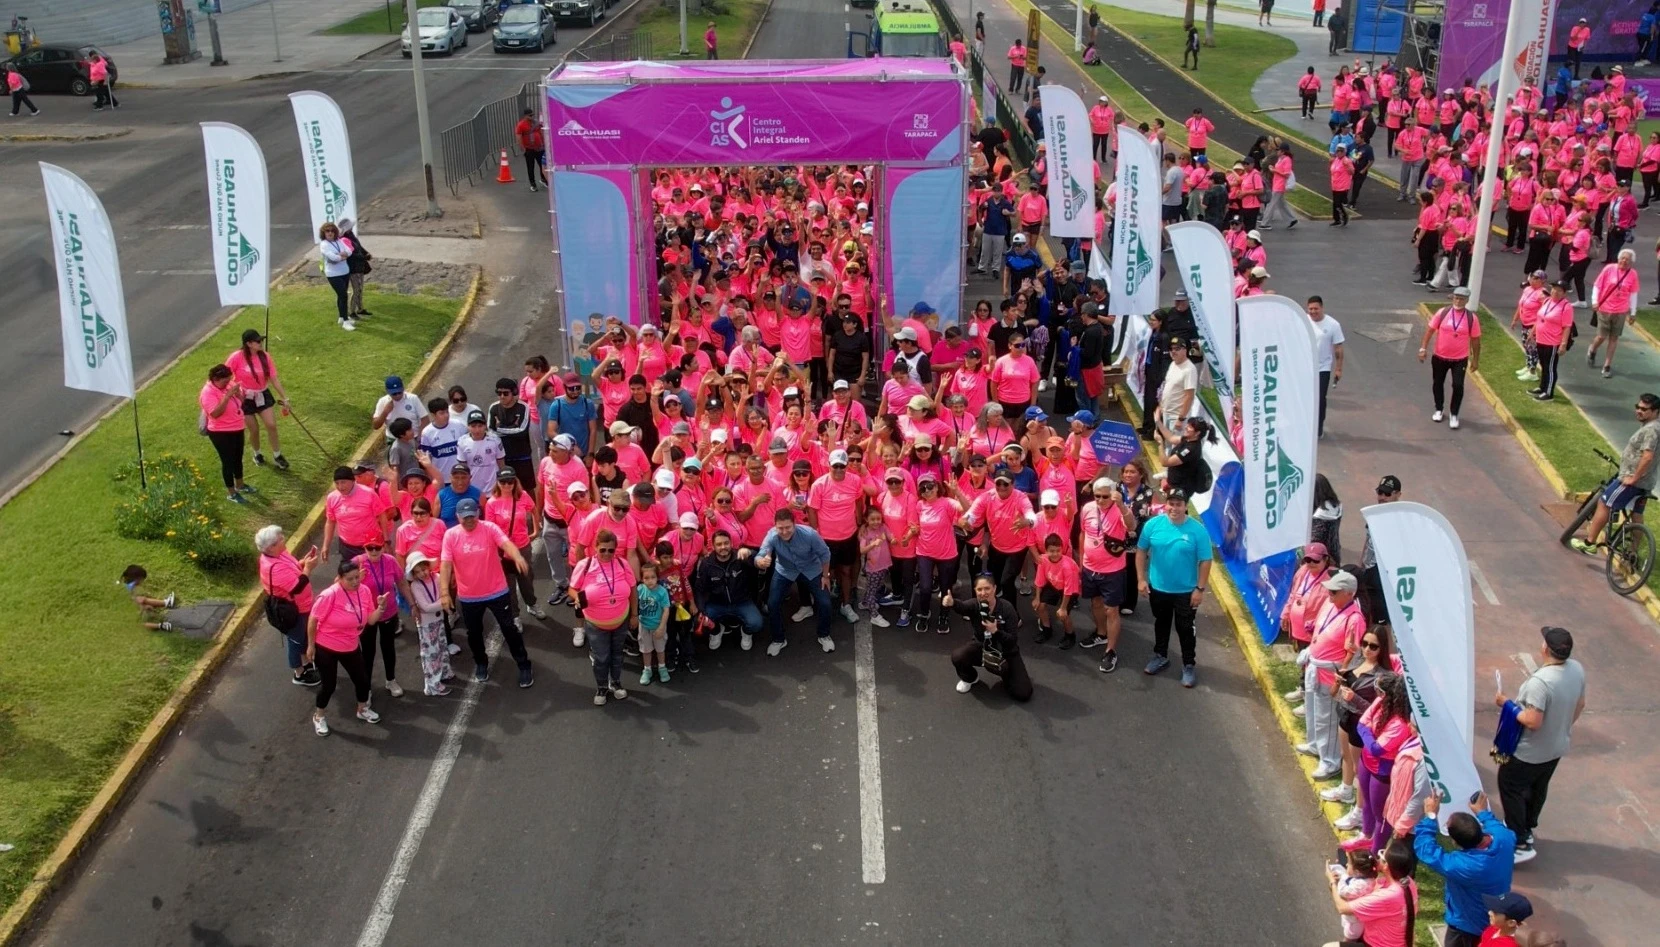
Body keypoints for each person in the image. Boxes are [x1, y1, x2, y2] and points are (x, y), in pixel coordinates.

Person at [1494, 626, 1586, 864]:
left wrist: (1507, 704)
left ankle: (1519, 840)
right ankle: (1526, 826)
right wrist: (1561, 727)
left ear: (1545, 648)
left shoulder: (1540, 682)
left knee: (1510, 786)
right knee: (1538, 787)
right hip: (1555, 747)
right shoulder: (1576, 670)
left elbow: (1533, 720)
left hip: (1529, 752)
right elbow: (1580, 704)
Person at [439, 498, 535, 688]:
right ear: (458, 517)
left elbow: (506, 543)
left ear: (478, 514)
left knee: (509, 629)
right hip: (469, 596)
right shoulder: (451, 536)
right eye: (465, 518)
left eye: (472, 516)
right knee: (474, 634)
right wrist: (444, 592)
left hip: (497, 591)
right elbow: (446, 564)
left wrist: (517, 556)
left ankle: (524, 665)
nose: (469, 521)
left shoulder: (489, 528)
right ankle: (481, 663)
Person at [1414, 791, 1516, 947]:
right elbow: (1496, 827)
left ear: (1454, 842)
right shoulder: (1505, 839)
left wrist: (1431, 816)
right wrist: (1483, 813)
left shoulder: (1463, 865)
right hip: (1496, 917)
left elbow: (1426, 850)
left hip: (1467, 928)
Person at [1135, 489, 1213, 688]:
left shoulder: (1198, 530)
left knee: (1185, 628)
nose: (1174, 508)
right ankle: (1160, 655)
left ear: (1186, 506)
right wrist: (1141, 579)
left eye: (1179, 504)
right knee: (1161, 623)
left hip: (1186, 592)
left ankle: (1188, 664)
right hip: (1158, 588)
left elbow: (1205, 560)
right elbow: (1141, 550)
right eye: (1171, 504)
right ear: (1166, 504)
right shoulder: (1153, 525)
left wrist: (1200, 589)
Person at [1569, 393, 1659, 553]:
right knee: (1637, 514)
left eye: (1644, 409)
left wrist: (1633, 478)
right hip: (1646, 483)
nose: (1639, 411)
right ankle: (1632, 551)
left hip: (1633, 481)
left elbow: (1647, 456)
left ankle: (1589, 544)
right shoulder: (1654, 427)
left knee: (1604, 503)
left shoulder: (1651, 430)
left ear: (1656, 411)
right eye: (1637, 407)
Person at [305, 560, 386, 736]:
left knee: (362, 680)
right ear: (340, 579)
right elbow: (313, 619)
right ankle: (319, 716)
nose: (356, 582)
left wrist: (380, 608)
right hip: (326, 646)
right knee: (329, 685)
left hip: (350, 645)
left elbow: (370, 620)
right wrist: (311, 646)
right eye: (350, 579)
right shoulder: (330, 595)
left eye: (357, 577)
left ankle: (362, 708)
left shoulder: (364, 591)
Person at [756, 509, 837, 655]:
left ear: (795, 524)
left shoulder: (810, 534)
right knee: (773, 603)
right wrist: (760, 561)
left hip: (811, 569)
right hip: (785, 571)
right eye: (780, 528)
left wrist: (825, 576)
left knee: (825, 602)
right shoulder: (772, 535)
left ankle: (824, 635)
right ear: (775, 526)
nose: (784, 531)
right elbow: (762, 553)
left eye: (788, 527)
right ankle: (778, 639)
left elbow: (825, 554)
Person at [570, 528, 635, 704]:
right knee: (601, 658)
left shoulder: (622, 564)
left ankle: (616, 682)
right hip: (596, 624)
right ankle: (601, 687)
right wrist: (577, 598)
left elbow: (633, 589)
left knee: (617, 655)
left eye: (611, 550)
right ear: (595, 547)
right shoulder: (585, 565)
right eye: (603, 549)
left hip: (620, 621)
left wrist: (634, 615)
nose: (607, 554)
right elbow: (573, 587)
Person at [948, 574, 1033, 702]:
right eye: (979, 589)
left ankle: (1006, 674)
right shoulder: (974, 605)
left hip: (1006, 651)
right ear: (975, 591)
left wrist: (995, 631)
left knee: (1023, 693)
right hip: (981, 646)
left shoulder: (1007, 608)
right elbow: (962, 607)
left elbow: (1012, 641)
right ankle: (970, 678)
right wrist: (952, 602)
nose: (983, 593)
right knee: (958, 656)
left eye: (987, 588)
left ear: (994, 588)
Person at [257, 525, 321, 687]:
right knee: (296, 640)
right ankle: (299, 673)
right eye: (280, 539)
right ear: (271, 547)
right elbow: (296, 587)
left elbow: (292, 567)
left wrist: (302, 564)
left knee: (303, 636)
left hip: (302, 606)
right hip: (293, 610)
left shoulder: (279, 554)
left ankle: (305, 662)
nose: (283, 539)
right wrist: (308, 569)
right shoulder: (273, 567)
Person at [1325, 838, 1419, 947]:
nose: (1376, 858)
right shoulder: (1407, 882)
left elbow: (1342, 908)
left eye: (1381, 855)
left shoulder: (1388, 895)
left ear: (1386, 866)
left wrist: (1332, 882)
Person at [225, 329, 290, 470]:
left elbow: (274, 379)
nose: (261, 343)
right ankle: (257, 453)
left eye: (261, 340)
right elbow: (225, 376)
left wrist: (285, 398)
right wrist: (235, 390)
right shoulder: (236, 357)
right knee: (254, 429)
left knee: (271, 425)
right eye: (258, 341)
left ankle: (277, 455)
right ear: (248, 344)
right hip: (244, 398)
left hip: (262, 394)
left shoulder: (265, 356)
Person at [1418, 286, 1480, 429]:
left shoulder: (1472, 318)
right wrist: (1423, 348)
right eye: (1456, 298)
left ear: (1467, 300)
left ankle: (1454, 413)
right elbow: (1430, 331)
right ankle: (1439, 409)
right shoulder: (1442, 313)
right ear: (1452, 298)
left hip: (1460, 359)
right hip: (1440, 357)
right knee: (1437, 383)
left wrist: (1475, 360)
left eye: (1462, 299)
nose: (1458, 301)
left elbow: (1476, 341)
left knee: (1458, 385)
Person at [692, 530, 764, 650]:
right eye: (719, 544)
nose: (723, 547)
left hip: (742, 602)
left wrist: (750, 552)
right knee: (699, 622)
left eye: (726, 543)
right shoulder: (706, 564)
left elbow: (758, 560)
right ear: (713, 546)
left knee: (756, 624)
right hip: (717, 604)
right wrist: (701, 610)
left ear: (731, 543)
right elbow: (700, 589)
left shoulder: (740, 557)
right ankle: (717, 630)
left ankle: (746, 632)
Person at [199, 364, 252, 503]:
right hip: (220, 432)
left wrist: (239, 394)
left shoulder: (229, 384)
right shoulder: (208, 392)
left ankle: (240, 485)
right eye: (225, 381)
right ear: (215, 379)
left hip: (237, 427)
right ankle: (232, 492)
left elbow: (241, 402)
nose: (228, 383)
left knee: (237, 457)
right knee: (227, 461)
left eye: (229, 380)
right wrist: (227, 396)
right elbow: (216, 413)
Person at [1586, 248, 1641, 378]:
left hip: (1621, 310)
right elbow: (1597, 285)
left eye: (1628, 259)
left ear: (1631, 262)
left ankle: (1607, 365)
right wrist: (1595, 301)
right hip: (1605, 308)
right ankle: (1592, 349)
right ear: (1618, 259)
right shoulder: (1609, 269)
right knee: (1601, 336)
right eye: (1623, 258)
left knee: (1614, 338)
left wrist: (1633, 312)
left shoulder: (1632, 274)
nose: (1624, 261)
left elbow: (1633, 294)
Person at [404, 552, 453, 697]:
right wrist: (444, 603)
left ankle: (444, 671)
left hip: (438, 619)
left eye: (423, 569)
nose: (422, 573)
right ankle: (432, 684)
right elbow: (426, 607)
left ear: (428, 567)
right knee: (431, 654)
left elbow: (437, 600)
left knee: (442, 647)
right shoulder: (415, 586)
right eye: (417, 572)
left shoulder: (437, 578)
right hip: (426, 623)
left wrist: (441, 603)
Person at [1307, 297, 1345, 437]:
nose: (1313, 311)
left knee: (1320, 397)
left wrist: (1338, 369)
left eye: (1315, 308)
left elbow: (1338, 348)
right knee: (1306, 397)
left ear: (1322, 308)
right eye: (1310, 309)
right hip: (1305, 367)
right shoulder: (1303, 321)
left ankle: (1318, 426)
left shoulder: (1333, 325)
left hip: (1323, 367)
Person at [633, 561, 670, 685]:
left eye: (653, 577)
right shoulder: (639, 590)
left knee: (660, 649)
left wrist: (661, 627)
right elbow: (634, 604)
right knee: (646, 650)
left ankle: (662, 667)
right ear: (642, 579)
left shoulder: (662, 592)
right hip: (644, 626)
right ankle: (647, 669)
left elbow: (666, 610)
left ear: (657, 577)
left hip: (658, 626)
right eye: (646, 578)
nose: (650, 581)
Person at [1154, 338, 1198, 443]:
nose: (1173, 351)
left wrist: (1181, 419)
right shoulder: (1173, 364)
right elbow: (1167, 387)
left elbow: (1189, 396)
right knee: (1167, 445)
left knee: (1176, 447)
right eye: (1171, 349)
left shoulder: (1189, 369)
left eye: (1177, 349)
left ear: (1185, 350)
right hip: (1166, 412)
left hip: (1176, 416)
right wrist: (1161, 406)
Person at [857, 506, 894, 628]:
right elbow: (862, 550)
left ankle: (865, 603)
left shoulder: (883, 527)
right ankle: (874, 616)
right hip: (873, 567)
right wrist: (873, 544)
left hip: (884, 564)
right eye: (872, 519)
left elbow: (891, 537)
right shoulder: (865, 532)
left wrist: (895, 540)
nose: (876, 522)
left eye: (878, 519)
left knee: (876, 586)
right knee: (872, 590)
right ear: (866, 519)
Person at [318, 222, 356, 331]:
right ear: (324, 233)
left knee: (341, 296)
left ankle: (341, 316)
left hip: (344, 271)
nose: (330, 233)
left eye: (332, 231)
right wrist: (341, 256)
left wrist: (341, 255)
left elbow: (349, 251)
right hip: (333, 274)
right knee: (343, 295)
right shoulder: (324, 244)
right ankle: (345, 321)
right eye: (327, 231)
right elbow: (332, 258)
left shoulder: (339, 241)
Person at [121, 564, 175, 633]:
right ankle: (166, 604)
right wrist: (144, 607)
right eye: (142, 580)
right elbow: (137, 601)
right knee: (143, 600)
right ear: (137, 579)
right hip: (134, 614)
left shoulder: (126, 586)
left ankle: (162, 625)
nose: (142, 582)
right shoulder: (132, 587)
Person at [336, 218, 373, 319]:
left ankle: (360, 308)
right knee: (356, 289)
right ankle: (352, 311)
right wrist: (365, 257)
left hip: (359, 266)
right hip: (353, 267)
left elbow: (359, 247)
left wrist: (366, 253)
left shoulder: (351, 236)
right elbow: (351, 254)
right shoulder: (344, 239)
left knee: (360, 289)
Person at [514, 107, 545, 191]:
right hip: (529, 149)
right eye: (530, 115)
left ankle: (544, 179)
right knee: (530, 167)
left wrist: (544, 143)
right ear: (525, 116)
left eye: (533, 115)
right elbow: (519, 136)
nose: (532, 117)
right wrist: (522, 148)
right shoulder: (521, 125)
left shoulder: (536, 123)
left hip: (539, 148)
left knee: (542, 165)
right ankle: (533, 184)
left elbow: (541, 132)